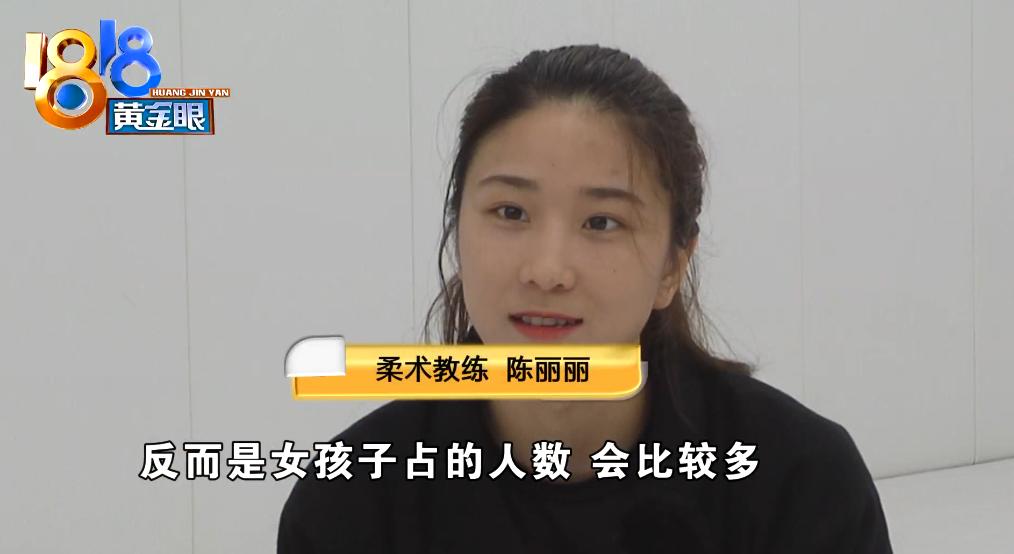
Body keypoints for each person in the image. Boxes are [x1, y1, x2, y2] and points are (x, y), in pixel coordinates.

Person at [277, 44, 893, 553]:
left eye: (602, 222)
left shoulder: (799, 483)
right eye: (510, 212)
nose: (548, 270)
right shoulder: (354, 499)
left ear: (673, 264)